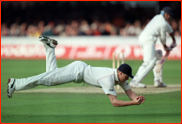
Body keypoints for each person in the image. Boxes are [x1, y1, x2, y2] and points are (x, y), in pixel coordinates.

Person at [7, 36, 145, 107]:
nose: (127, 80)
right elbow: (114, 102)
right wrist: (132, 103)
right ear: (120, 73)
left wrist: (136, 99)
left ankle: (50, 48)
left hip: (80, 69)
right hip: (77, 72)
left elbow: (129, 92)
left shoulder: (118, 77)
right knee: (45, 79)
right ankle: (15, 83)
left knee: (50, 74)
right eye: (126, 77)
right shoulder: (108, 79)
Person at [129, 6, 177, 88]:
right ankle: (135, 81)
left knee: (158, 55)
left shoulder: (157, 17)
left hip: (142, 38)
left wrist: (173, 40)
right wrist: (165, 46)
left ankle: (158, 81)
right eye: (169, 15)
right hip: (149, 40)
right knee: (149, 62)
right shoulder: (163, 23)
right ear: (167, 15)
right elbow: (163, 38)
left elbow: (170, 30)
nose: (169, 17)